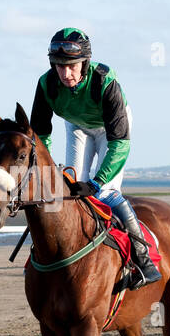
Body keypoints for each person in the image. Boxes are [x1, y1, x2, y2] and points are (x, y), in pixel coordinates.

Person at [29, 27, 160, 288]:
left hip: (110, 130)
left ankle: (144, 261)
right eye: (59, 66)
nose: (66, 74)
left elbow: (120, 144)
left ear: (85, 63)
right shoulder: (46, 84)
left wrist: (97, 181)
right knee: (68, 189)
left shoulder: (105, 81)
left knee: (104, 192)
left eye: (72, 66)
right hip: (76, 126)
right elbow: (40, 136)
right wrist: (46, 172)